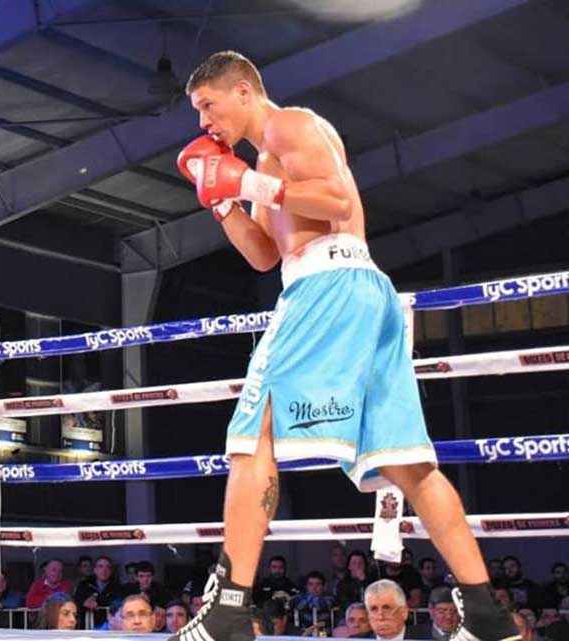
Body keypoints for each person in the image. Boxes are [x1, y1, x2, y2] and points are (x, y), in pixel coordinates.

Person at [169, 50, 519, 641]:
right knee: (409, 463)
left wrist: (246, 181)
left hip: (327, 286)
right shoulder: (266, 160)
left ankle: (229, 607)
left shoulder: (290, 125)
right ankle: (488, 614)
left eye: (208, 104)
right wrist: (222, 198)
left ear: (243, 92)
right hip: (357, 293)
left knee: (253, 435)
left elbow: (335, 201)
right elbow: (264, 254)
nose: (204, 121)